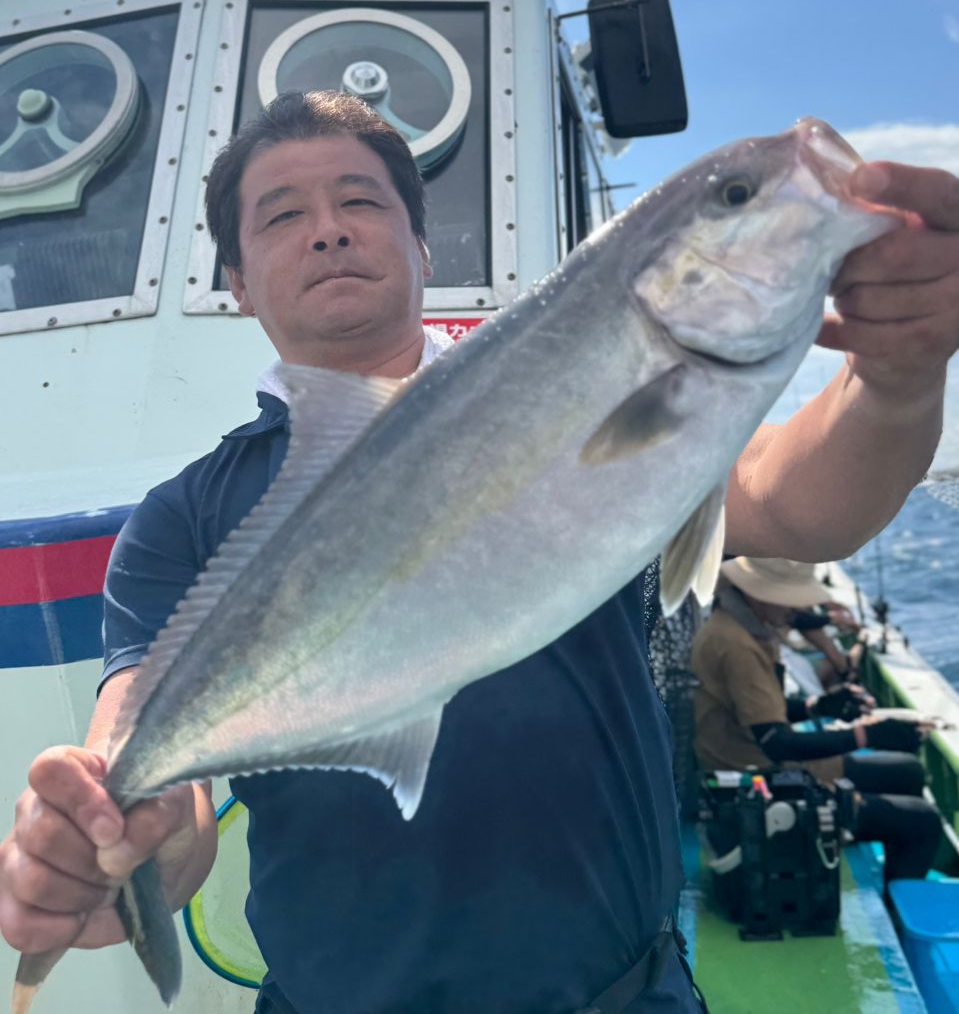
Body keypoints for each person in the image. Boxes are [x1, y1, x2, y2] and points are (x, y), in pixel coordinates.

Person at [2, 90, 958, 1014]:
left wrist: (896, 377)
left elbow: (797, 510)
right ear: (240, 283)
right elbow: (136, 739)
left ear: (420, 247)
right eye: (283, 215)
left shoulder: (566, 386)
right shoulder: (182, 518)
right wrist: (122, 821)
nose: (329, 229)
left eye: (361, 201)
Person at [691, 557, 942, 883]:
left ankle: (884, 866)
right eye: (790, 600)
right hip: (753, 782)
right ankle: (896, 910)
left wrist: (818, 706)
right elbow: (777, 743)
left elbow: (759, 713)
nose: (796, 610)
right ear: (758, 594)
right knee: (923, 823)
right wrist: (866, 736)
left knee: (907, 773)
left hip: (754, 758)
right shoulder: (737, 645)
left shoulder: (743, 627)